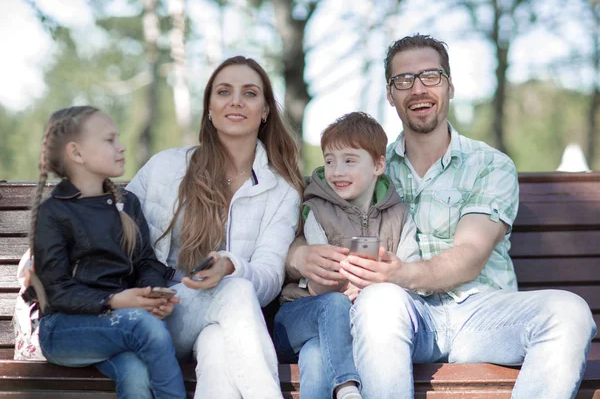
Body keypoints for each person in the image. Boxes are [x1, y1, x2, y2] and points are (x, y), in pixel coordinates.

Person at [286, 34, 597, 399]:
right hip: (401, 318)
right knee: (380, 301)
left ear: (450, 86)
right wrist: (298, 255)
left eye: (431, 76)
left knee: (570, 313)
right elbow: (317, 211)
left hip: (479, 315)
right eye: (404, 80)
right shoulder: (368, 167)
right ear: (391, 95)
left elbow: (468, 255)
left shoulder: (488, 165)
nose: (418, 89)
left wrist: (399, 273)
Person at [127, 56, 304, 399]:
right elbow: (113, 223)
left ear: (265, 110)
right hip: (162, 314)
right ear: (209, 108)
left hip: (229, 320)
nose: (236, 101)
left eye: (250, 93)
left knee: (218, 347)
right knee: (234, 293)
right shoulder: (166, 167)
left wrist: (230, 266)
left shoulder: (281, 191)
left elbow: (268, 277)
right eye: (224, 92)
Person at [29, 106, 187, 399]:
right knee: (143, 325)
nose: (121, 146)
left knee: (137, 374)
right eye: (109, 140)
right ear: (76, 153)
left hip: (116, 324)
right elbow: (56, 291)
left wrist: (151, 294)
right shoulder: (53, 213)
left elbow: (145, 262)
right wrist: (114, 301)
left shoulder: (127, 204)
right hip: (63, 329)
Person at [274, 112, 421, 399]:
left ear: (378, 164)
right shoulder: (316, 210)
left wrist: (382, 279)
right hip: (301, 315)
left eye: (349, 161)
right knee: (333, 304)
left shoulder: (399, 215)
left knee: (316, 356)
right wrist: (356, 282)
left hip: (349, 330)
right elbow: (319, 285)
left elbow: (409, 273)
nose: (337, 171)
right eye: (329, 161)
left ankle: (343, 383)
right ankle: (346, 387)